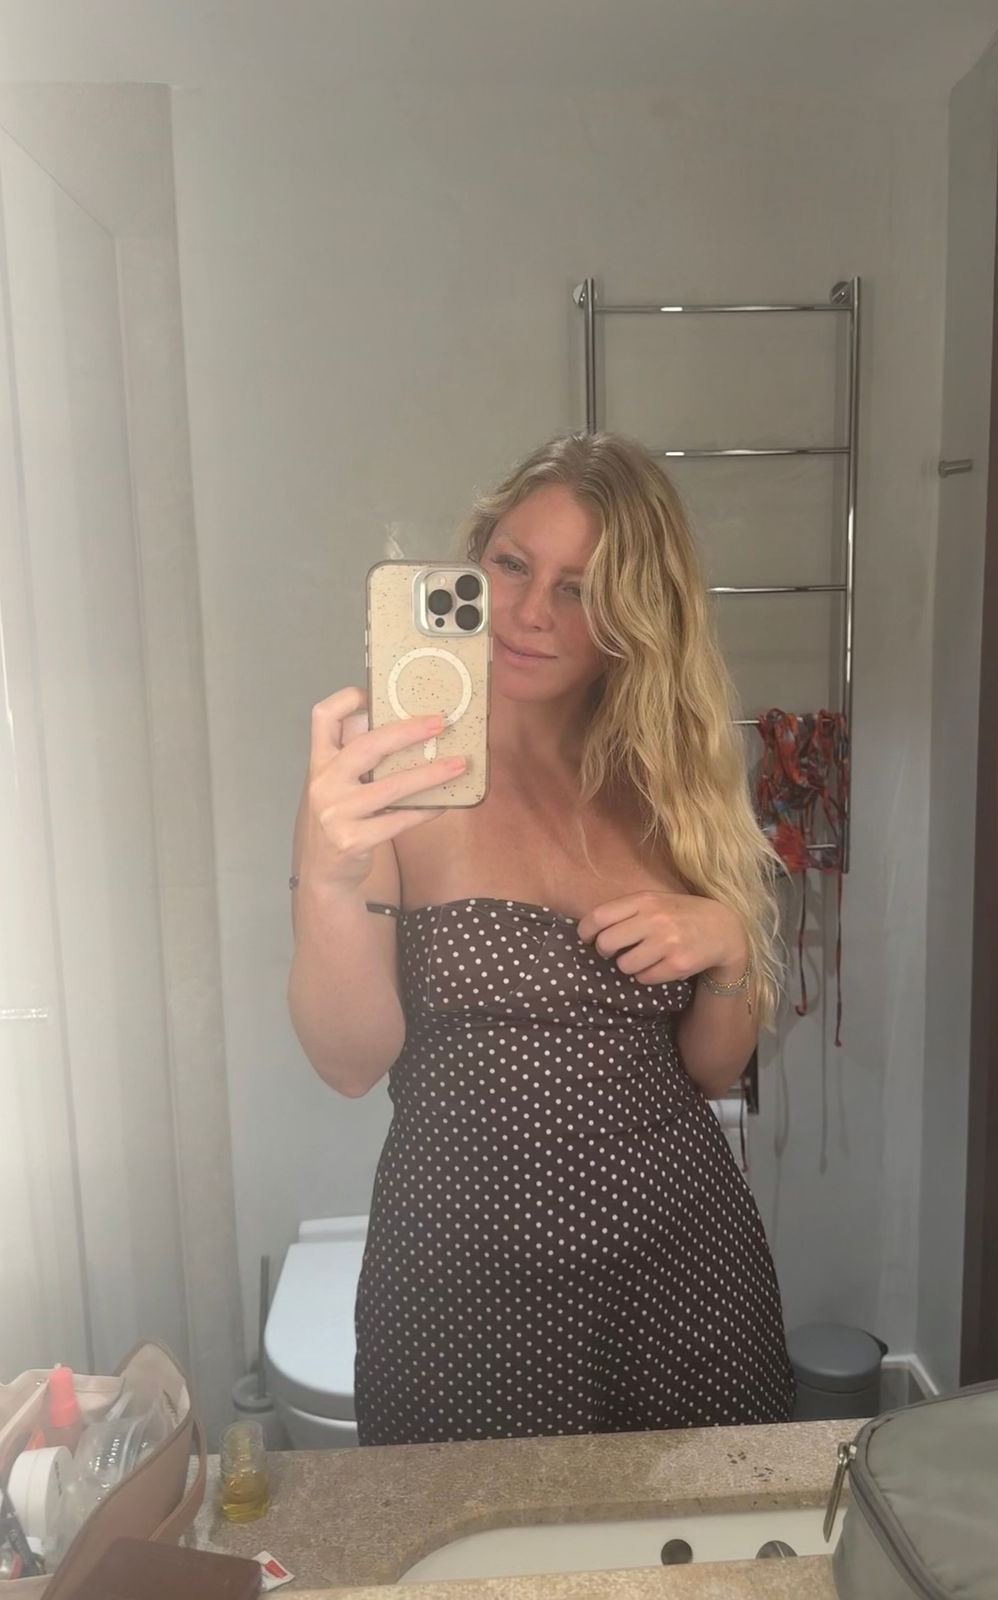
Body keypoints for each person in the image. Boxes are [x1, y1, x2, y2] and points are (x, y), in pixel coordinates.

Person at [288, 431, 797, 1445]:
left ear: (638, 615)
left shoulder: (667, 780)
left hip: (684, 1267)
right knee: (470, 1532)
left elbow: (711, 1068)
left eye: (580, 589)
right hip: (466, 1290)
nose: (528, 613)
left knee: (702, 1534)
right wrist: (332, 883)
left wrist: (731, 947)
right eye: (514, 564)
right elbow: (349, 1064)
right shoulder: (388, 778)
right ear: (476, 559)